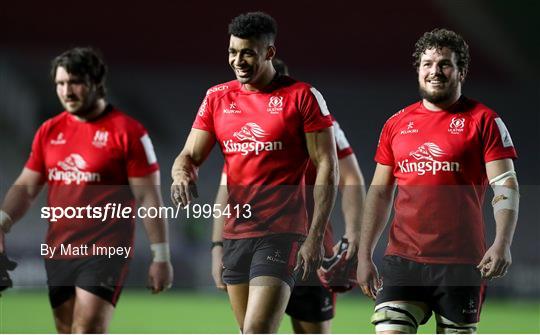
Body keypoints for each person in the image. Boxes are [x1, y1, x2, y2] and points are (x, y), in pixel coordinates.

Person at [171, 12, 338, 334]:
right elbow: (188, 155)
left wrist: (316, 237)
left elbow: (328, 166)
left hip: (282, 234)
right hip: (236, 235)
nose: (238, 60)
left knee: (257, 330)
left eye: (247, 52)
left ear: (269, 53)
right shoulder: (217, 98)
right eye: (233, 52)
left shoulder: (302, 97)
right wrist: (181, 173)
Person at [356, 28, 519, 334]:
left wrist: (502, 243)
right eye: (427, 64)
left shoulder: (483, 121)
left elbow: (506, 185)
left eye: (444, 64)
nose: (435, 71)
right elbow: (379, 195)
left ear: (461, 72)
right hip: (403, 261)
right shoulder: (396, 123)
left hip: (462, 263)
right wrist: (364, 255)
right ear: (418, 70)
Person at [0, 47, 173, 333]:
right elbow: (27, 186)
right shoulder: (49, 131)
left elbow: (148, 196)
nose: (66, 91)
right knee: (68, 330)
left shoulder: (129, 132)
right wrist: (3, 222)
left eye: (74, 82)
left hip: (106, 251)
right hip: (59, 250)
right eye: (60, 83)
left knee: (87, 329)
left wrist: (162, 257)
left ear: (95, 82)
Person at [210, 58, 366, 333]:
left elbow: (351, 178)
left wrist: (353, 233)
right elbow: (226, 190)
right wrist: (216, 247)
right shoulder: (245, 133)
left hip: (309, 246)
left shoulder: (322, 125)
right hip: (255, 241)